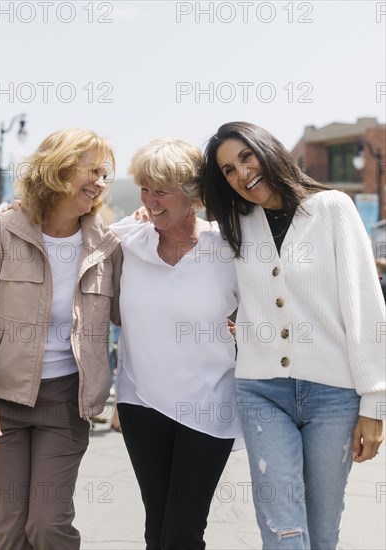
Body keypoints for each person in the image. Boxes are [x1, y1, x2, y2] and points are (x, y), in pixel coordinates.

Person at [201, 121, 385, 550]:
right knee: (284, 534)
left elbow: (366, 308)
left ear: (268, 150)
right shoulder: (233, 225)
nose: (242, 173)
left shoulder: (333, 209)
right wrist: (141, 216)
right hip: (262, 392)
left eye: (246, 157)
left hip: (334, 397)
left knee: (321, 535)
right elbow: (173, 229)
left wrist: (375, 402)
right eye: (228, 170)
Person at [0, 128, 122, 550]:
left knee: (49, 525)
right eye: (92, 170)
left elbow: (133, 315)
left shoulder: (108, 244)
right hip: (1, 403)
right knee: (11, 530)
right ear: (57, 170)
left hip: (64, 403)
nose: (100, 181)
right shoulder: (4, 230)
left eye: (106, 173)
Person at [112, 138, 243, 550]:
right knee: (157, 526)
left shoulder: (229, 248)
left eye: (161, 190)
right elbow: (64, 228)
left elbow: (269, 307)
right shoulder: (127, 239)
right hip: (140, 402)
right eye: (144, 189)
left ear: (192, 196)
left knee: (183, 529)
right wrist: (19, 213)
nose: (149, 200)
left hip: (209, 403)